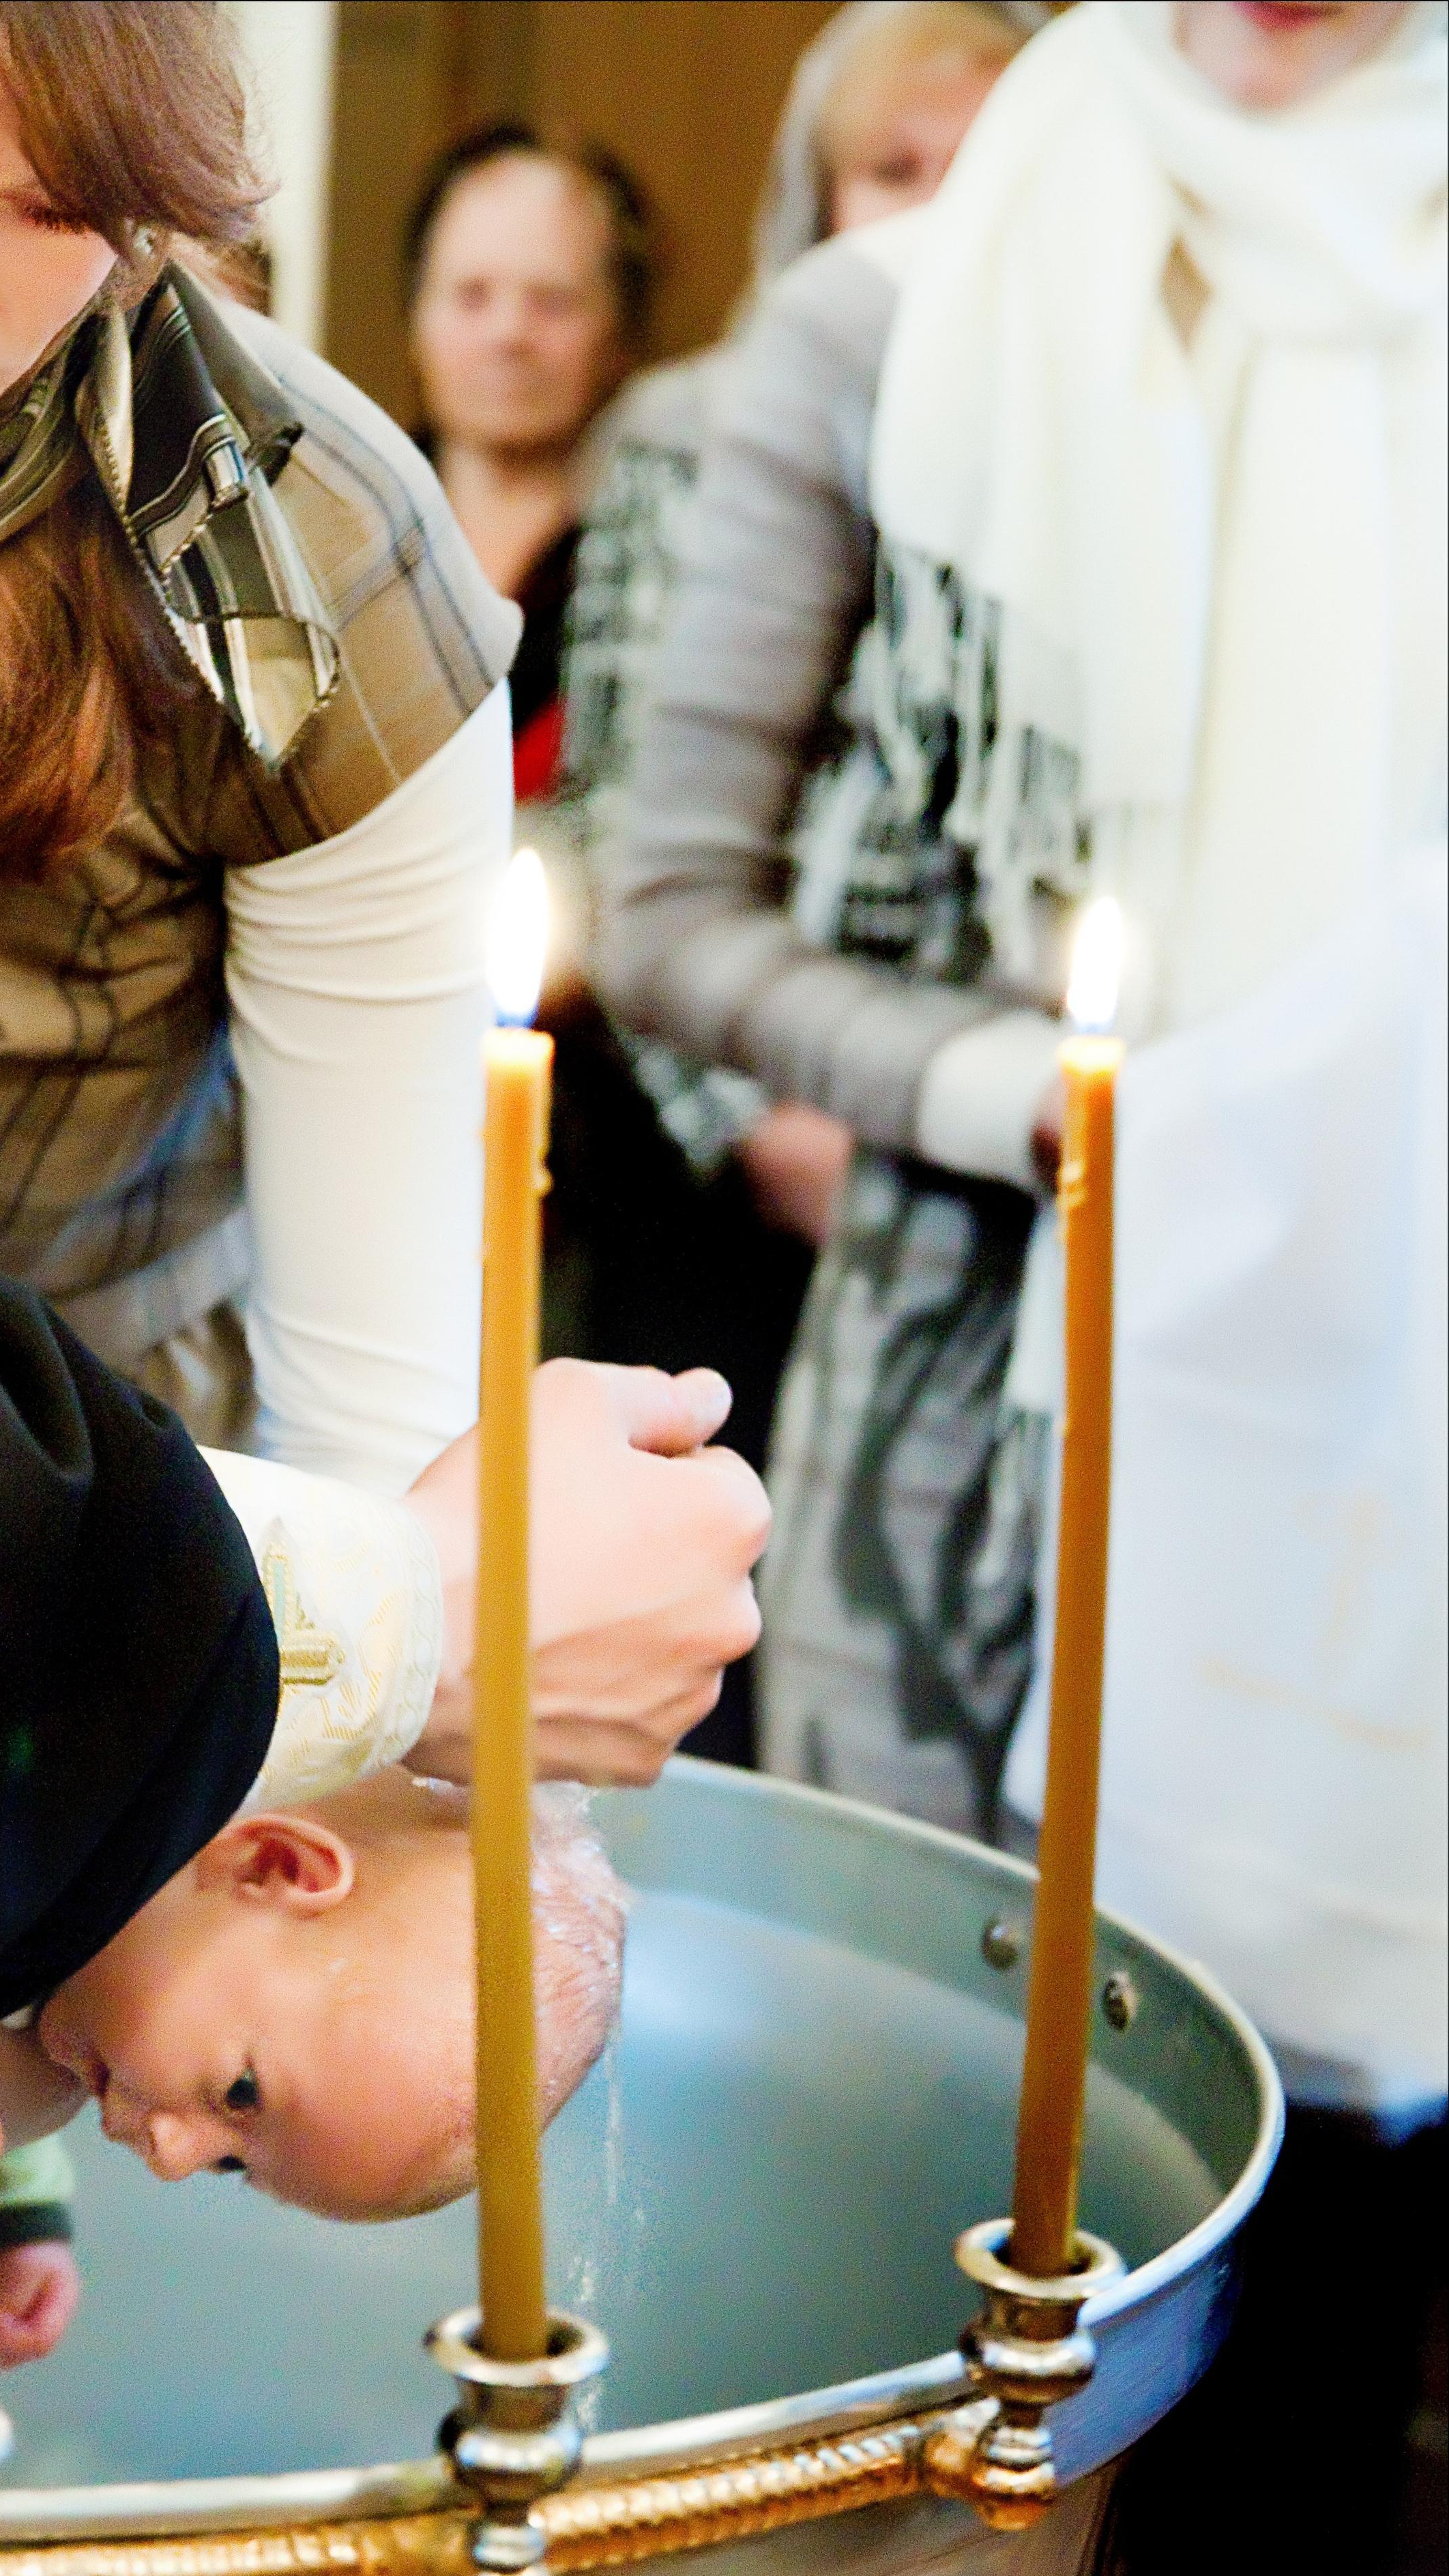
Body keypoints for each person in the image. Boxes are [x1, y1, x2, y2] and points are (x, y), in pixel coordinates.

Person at [600, 3, 1446, 2576]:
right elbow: (665, 900)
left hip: (1385, 1402)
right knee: (954, 2194)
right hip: (991, 1398)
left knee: (1322, 2248)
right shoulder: (891, 323)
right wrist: (1048, 1108)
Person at [0, 1180, 762, 2364]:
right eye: (242, 2102)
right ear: (272, 1862)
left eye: (227, 2171)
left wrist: (6, 2218)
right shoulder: (31, 1770)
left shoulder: (82, 2012)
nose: (169, 2155)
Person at [0, 0, 508, 1496]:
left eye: (56, 205)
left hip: (82, 1575)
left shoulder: (297, 556)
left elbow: (383, 1456)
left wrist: (356, 1645)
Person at [544, 0, 1049, 1774]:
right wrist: (766, 1115)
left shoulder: (1077, 437)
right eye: (893, 173)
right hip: (745, 1136)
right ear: (810, 201)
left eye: (985, 169)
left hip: (980, 1152)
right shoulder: (706, 425)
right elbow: (629, 822)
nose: (944, 214)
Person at [404, 122, 652, 804]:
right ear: (414, 319)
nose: (508, 334)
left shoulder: (669, 559)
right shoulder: (331, 527)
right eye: (471, 294)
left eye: (553, 301)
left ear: (621, 335)